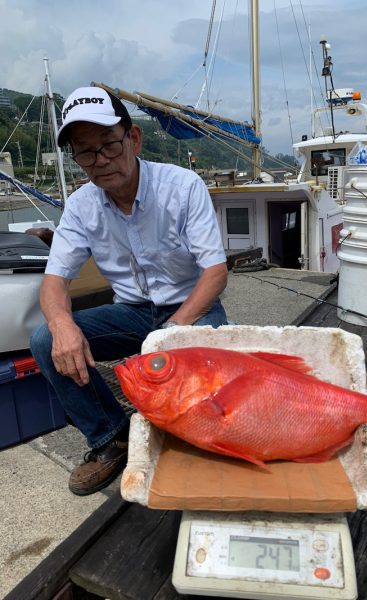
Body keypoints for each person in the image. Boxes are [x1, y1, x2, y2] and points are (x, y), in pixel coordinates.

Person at [30, 86, 228, 496]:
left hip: (191, 308)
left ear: (133, 139)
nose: (100, 162)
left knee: (213, 379)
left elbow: (214, 272)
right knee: (45, 338)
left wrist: (170, 331)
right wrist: (62, 323)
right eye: (86, 152)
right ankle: (111, 437)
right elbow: (54, 281)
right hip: (134, 312)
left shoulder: (183, 186)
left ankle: (198, 443)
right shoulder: (82, 205)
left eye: (109, 146)